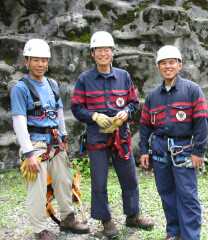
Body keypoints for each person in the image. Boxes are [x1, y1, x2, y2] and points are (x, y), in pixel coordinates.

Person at [71, 31, 154, 238]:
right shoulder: (84, 79)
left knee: (129, 177)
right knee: (99, 181)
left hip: (121, 136)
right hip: (96, 138)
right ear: (92, 53)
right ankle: (106, 220)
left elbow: (134, 103)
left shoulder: (123, 76)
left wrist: (126, 113)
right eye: (98, 50)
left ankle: (133, 215)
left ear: (112, 52)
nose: (103, 53)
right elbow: (76, 108)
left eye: (107, 49)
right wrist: (94, 116)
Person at [10, 38, 89, 240]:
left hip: (54, 142)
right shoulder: (20, 88)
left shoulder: (52, 84)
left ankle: (68, 218)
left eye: (44, 60)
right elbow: (19, 122)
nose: (40, 64)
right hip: (35, 145)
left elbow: (59, 113)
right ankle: (39, 229)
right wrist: (28, 153)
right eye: (36, 60)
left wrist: (63, 136)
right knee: (36, 189)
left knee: (64, 180)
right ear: (26, 61)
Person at [139, 45, 208, 240]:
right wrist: (144, 151)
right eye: (163, 63)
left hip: (184, 149)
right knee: (167, 194)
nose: (167, 66)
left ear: (179, 65)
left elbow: (201, 122)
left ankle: (190, 236)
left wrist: (198, 152)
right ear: (158, 67)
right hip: (160, 150)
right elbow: (145, 126)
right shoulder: (153, 96)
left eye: (171, 62)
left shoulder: (192, 90)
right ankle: (173, 233)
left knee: (188, 196)